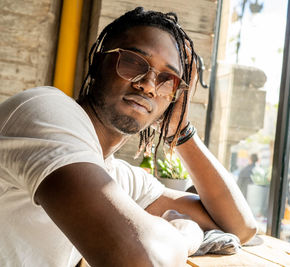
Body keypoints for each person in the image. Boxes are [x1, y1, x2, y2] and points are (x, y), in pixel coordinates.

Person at [0, 7, 257, 267]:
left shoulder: (117, 175)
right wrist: (185, 233)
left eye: (167, 79)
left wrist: (179, 131)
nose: (148, 85)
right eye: (133, 62)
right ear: (99, 63)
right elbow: (141, 261)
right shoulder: (44, 113)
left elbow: (240, 226)